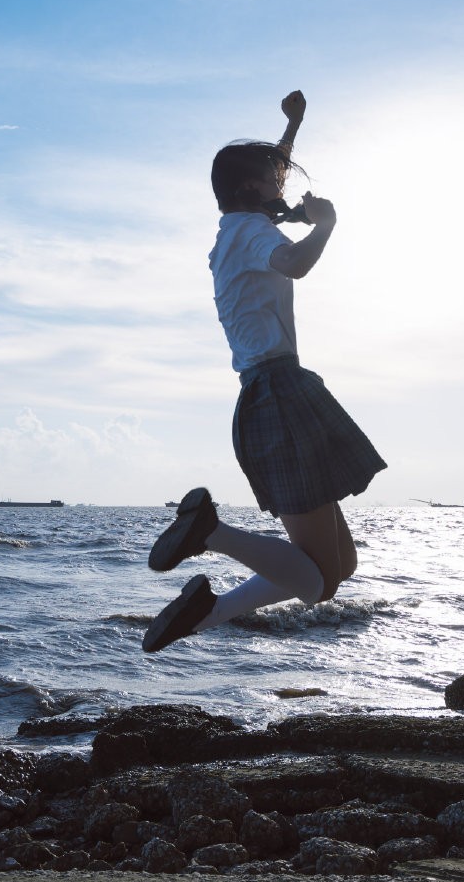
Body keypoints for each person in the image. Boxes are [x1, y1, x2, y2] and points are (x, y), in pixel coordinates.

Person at [142, 89, 386, 653]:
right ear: (252, 191)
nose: (283, 191)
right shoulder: (254, 234)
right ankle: (210, 532)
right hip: (278, 393)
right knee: (318, 583)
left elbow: (264, 180)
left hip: (275, 391)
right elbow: (295, 263)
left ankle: (203, 616)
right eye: (275, 184)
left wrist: (293, 127)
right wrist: (325, 225)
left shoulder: (233, 231)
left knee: (339, 566)